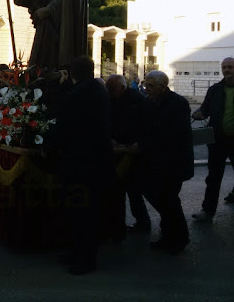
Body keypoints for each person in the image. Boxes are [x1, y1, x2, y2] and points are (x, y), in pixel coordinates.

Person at [51, 57, 114, 275]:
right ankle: (79, 252)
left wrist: (49, 146)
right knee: (84, 211)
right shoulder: (97, 88)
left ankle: (85, 259)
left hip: (80, 161)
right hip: (96, 159)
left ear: (72, 73)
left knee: (81, 212)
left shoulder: (77, 94)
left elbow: (64, 125)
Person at [140, 70, 193, 255]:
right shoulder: (150, 102)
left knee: (170, 201)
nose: (147, 88)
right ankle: (168, 236)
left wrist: (142, 145)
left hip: (173, 163)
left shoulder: (177, 103)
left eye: (151, 86)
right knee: (163, 200)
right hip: (156, 161)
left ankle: (179, 238)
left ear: (163, 87)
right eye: (146, 84)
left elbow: (172, 135)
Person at [191, 57, 234, 222]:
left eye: (230, 67)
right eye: (225, 67)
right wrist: (199, 113)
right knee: (213, 177)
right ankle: (207, 211)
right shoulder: (215, 90)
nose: (227, 70)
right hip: (218, 141)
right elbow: (205, 108)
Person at [105, 74, 151, 232]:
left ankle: (139, 222)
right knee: (130, 189)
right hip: (122, 148)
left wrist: (118, 139)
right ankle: (135, 222)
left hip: (131, 150)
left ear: (122, 87)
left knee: (132, 188)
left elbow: (137, 124)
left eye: (111, 89)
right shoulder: (125, 98)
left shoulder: (135, 100)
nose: (109, 92)